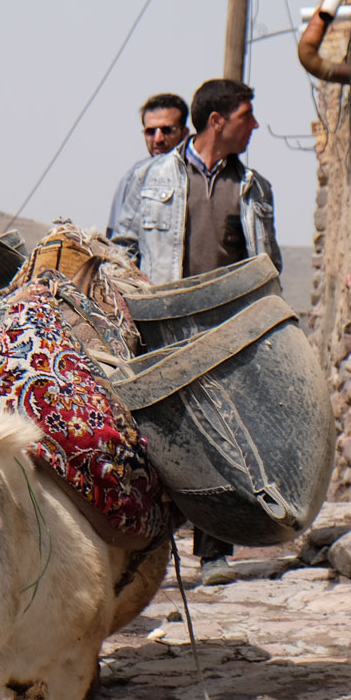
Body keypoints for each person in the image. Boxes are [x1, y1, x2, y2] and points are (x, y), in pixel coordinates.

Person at [109, 78, 283, 584]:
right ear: (217, 121)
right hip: (161, 329)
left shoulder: (254, 188)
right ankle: (146, 552)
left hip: (224, 334)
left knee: (223, 438)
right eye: (247, 116)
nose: (254, 126)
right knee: (152, 440)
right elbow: (122, 250)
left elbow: (266, 267)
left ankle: (213, 553)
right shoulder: (148, 179)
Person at [106, 93, 189, 238]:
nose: (158, 139)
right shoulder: (133, 177)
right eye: (150, 132)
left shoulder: (198, 176)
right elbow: (116, 241)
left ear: (184, 133)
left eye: (167, 130)